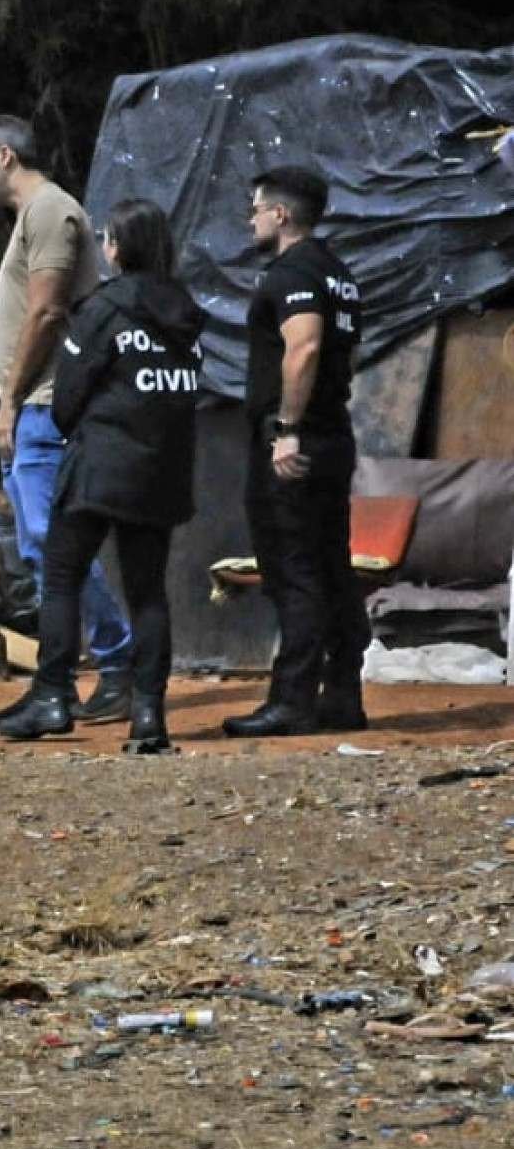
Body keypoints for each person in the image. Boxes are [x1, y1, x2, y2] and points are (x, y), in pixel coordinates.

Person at [0, 113, 135, 723]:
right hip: (33, 405)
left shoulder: (49, 212)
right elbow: (34, 320)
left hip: (43, 406)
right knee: (41, 549)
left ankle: (115, 664)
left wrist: (8, 402)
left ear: (5, 157)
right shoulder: (33, 218)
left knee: (53, 543)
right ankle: (59, 677)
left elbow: (47, 318)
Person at [0, 201, 203, 751]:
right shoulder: (185, 312)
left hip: (99, 467)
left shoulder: (103, 308)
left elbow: (67, 397)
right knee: (148, 592)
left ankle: (53, 696)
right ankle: (149, 718)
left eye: (109, 238)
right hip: (162, 469)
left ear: (117, 248)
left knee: (62, 574)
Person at [224, 164, 366, 737]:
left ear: (281, 214)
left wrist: (287, 428)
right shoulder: (339, 273)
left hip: (297, 442)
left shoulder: (294, 272)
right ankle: (343, 695)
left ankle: (293, 701)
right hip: (334, 434)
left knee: (294, 570)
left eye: (256, 208)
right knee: (331, 565)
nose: (251, 218)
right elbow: (345, 357)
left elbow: (304, 348)